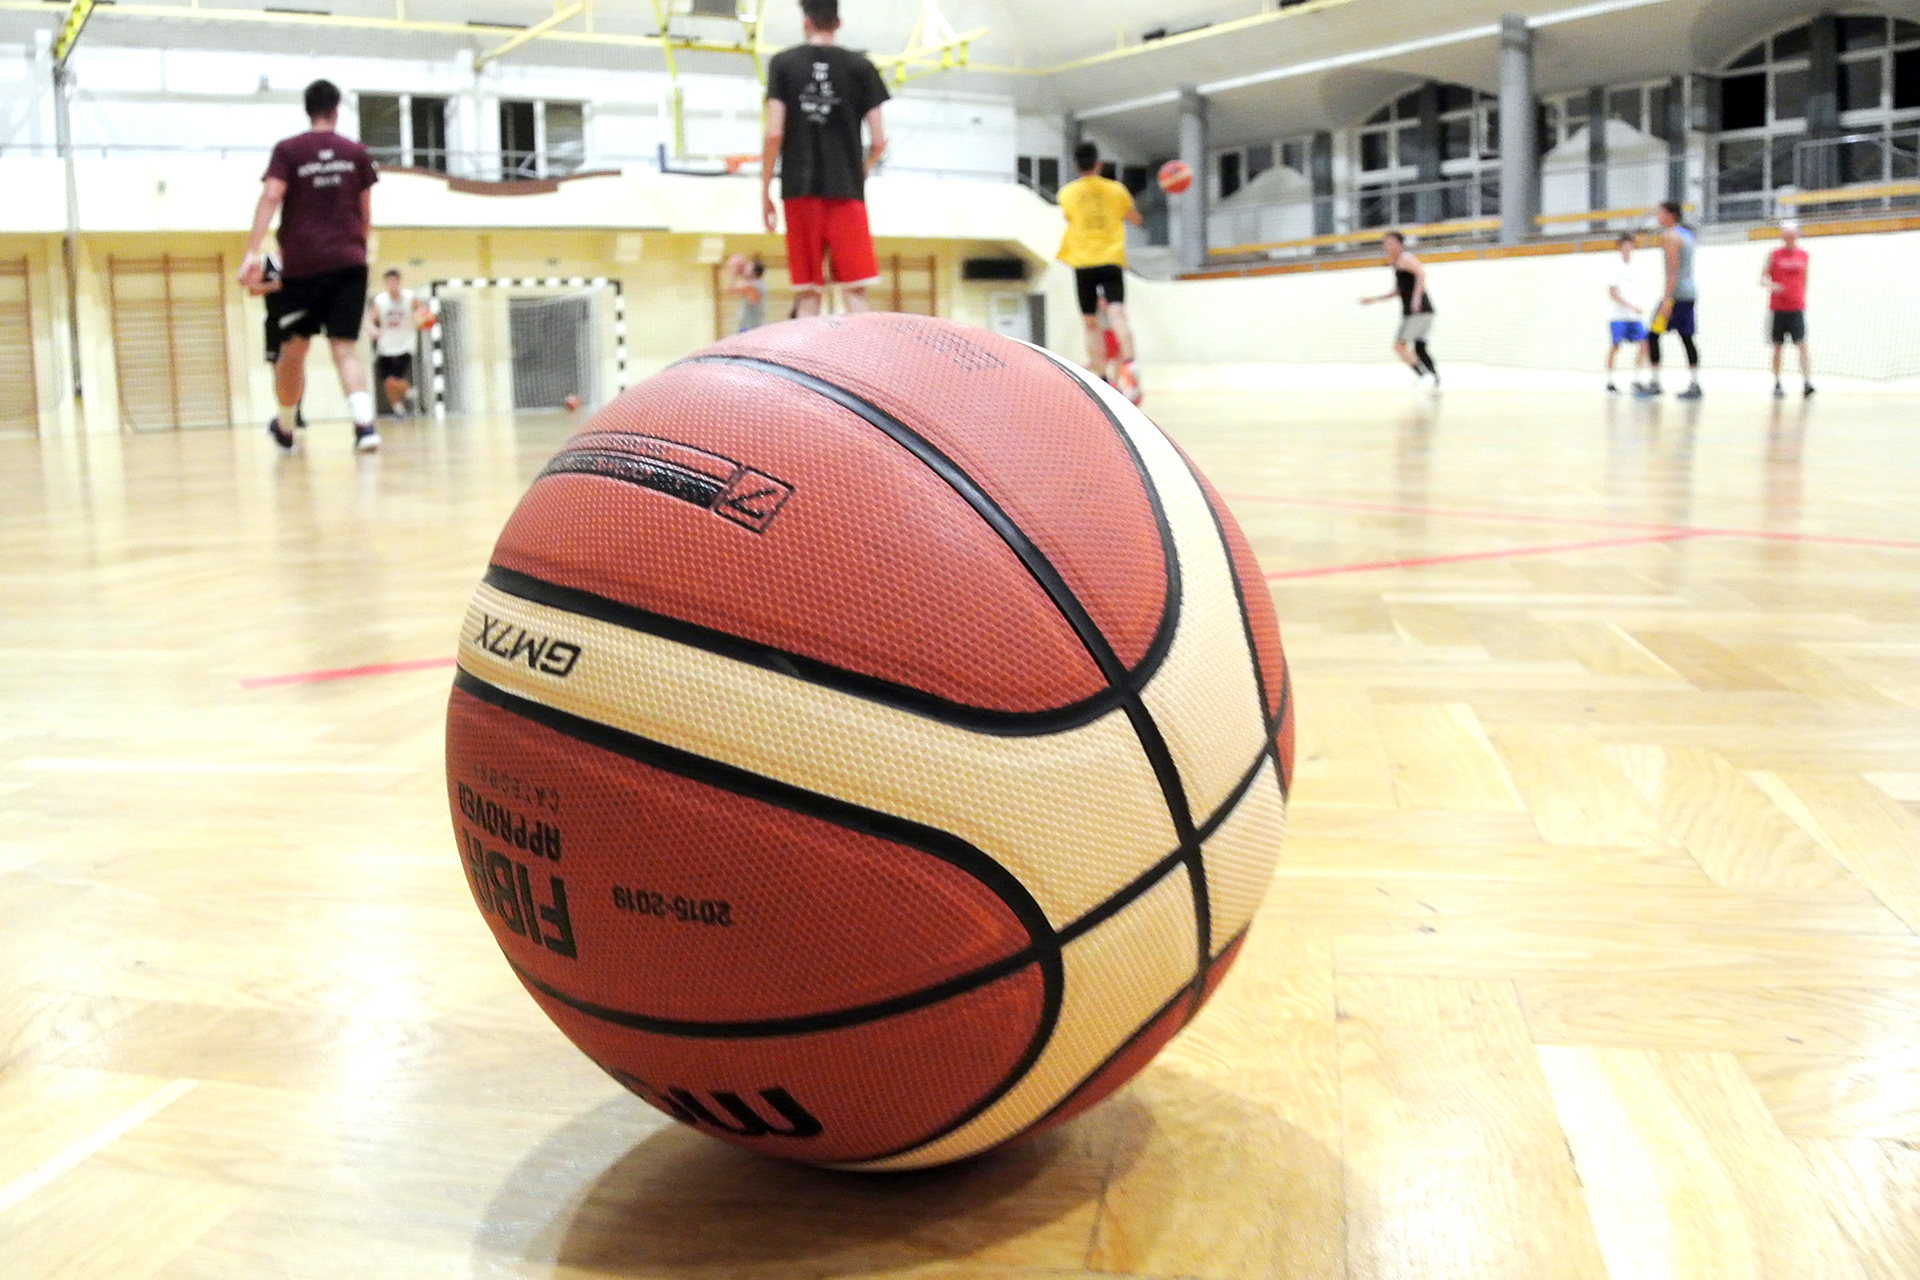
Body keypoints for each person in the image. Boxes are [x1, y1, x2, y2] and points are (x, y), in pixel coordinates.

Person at [239, 79, 381, 453]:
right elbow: (365, 210)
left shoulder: (288, 150)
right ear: (336, 110)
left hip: (302, 264)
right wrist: (359, 247)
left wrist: (252, 251)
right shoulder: (356, 152)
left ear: (307, 109)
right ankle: (365, 427)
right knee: (345, 349)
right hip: (349, 262)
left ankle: (286, 427)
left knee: (293, 351)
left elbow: (272, 195)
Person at [761, 0, 889, 319]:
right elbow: (879, 141)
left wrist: (764, 191)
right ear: (838, 23)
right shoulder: (862, 67)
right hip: (846, 190)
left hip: (798, 190)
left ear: (806, 22)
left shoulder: (782, 63)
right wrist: (862, 169)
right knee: (855, 292)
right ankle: (865, 353)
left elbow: (773, 133)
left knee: (807, 295)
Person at [1057, 141, 1145, 402]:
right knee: (1117, 313)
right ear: (1099, 163)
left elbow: (1068, 217)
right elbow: (1135, 219)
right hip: (1110, 260)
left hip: (1083, 262)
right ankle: (1129, 365)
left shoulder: (1067, 193)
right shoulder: (1117, 190)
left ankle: (1102, 376)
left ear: (1076, 166)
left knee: (1090, 322)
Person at [1361, 230, 1439, 389]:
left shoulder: (1405, 258)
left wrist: (1416, 298)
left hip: (1418, 311)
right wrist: (1374, 299)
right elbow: (1398, 291)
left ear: (1399, 244)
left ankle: (1424, 376)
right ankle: (1434, 378)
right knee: (1420, 347)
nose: (1386, 246)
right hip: (1419, 311)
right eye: (1385, 243)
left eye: (1389, 242)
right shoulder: (1397, 263)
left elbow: (1421, 273)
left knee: (1399, 346)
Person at [1639, 200, 1701, 401]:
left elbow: (1672, 271)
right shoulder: (1687, 234)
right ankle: (1694, 383)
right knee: (1686, 338)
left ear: (1671, 215)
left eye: (1661, 213)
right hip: (1688, 294)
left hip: (1675, 296)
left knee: (1653, 335)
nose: (1657, 217)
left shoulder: (1670, 236)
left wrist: (1667, 301)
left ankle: (1655, 382)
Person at [1762, 220, 1813, 398]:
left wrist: (1801, 296)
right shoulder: (1773, 254)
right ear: (1782, 236)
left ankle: (1807, 382)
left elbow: (1805, 279)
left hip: (1796, 307)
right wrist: (1772, 285)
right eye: (1787, 235)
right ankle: (1777, 383)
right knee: (1777, 347)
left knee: (1801, 344)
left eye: (1792, 235)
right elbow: (1763, 278)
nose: (1790, 238)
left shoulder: (1804, 255)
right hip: (1778, 308)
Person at [366, 269, 417, 418]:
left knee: (393, 380)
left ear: (399, 281)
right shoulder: (380, 300)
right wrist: (374, 331)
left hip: (405, 344)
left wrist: (423, 320)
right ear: (385, 283)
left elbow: (422, 312)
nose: (393, 284)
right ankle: (399, 410)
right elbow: (369, 321)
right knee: (388, 383)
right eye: (389, 281)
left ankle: (408, 390)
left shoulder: (409, 297)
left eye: (395, 281)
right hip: (386, 345)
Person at [1605, 233, 1651, 395]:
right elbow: (1612, 293)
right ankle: (1610, 382)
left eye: (1630, 245)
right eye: (1624, 245)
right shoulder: (1614, 268)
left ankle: (1636, 380)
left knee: (1644, 344)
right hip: (1617, 316)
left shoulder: (1635, 268)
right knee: (1615, 346)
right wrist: (1630, 306)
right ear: (1619, 247)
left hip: (1633, 317)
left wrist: (1635, 308)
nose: (1627, 248)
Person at [726, 256, 768, 332]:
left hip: (751, 327)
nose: (745, 268)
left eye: (748, 267)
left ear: (753, 271)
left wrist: (735, 273)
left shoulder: (753, 285)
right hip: (749, 325)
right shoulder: (757, 283)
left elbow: (730, 289)